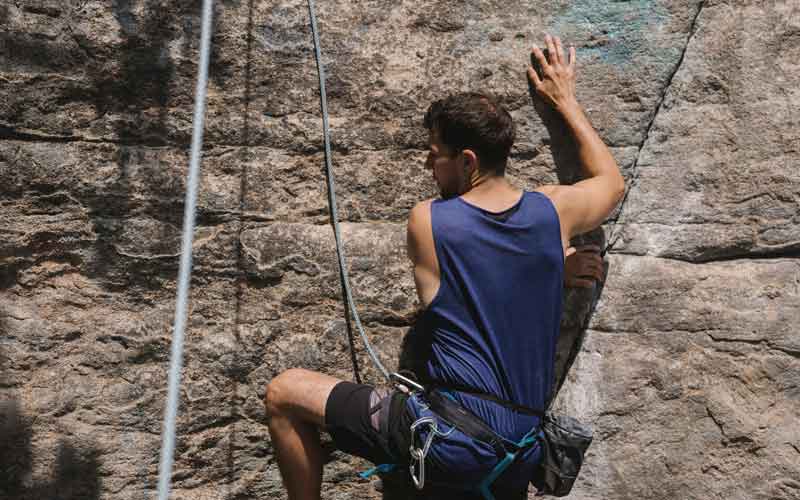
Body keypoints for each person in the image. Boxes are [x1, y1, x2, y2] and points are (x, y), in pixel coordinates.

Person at [264, 34, 624, 500]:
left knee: (285, 393)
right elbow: (611, 184)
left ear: (467, 160)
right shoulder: (553, 213)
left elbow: (472, 275)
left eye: (436, 154)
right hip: (519, 456)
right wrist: (565, 101)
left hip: (447, 442)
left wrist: (552, 267)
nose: (429, 164)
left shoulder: (430, 221)